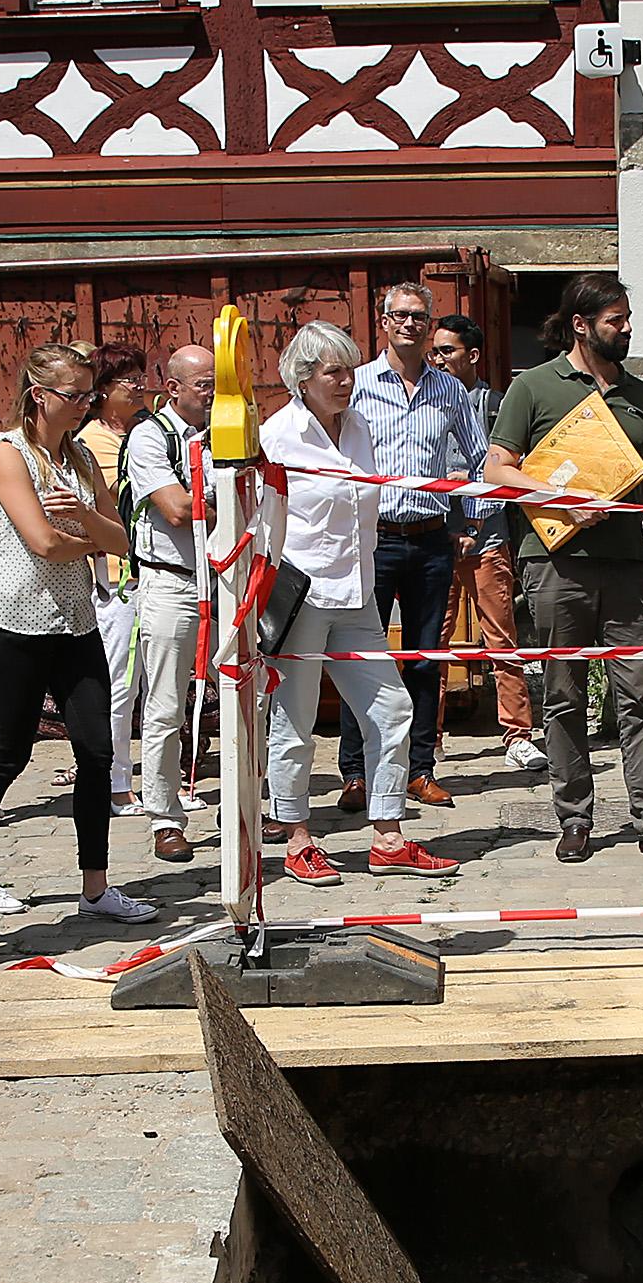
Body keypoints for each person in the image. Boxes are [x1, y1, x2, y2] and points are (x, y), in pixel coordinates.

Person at [487, 273, 643, 866]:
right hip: (555, 564)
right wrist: (560, 498)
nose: (627, 328)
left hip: (629, 564)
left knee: (638, 695)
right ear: (580, 325)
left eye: (627, 318)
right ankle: (574, 818)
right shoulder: (534, 387)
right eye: (616, 320)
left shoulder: (638, 394)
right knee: (564, 697)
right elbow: (497, 470)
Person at [0, 342, 157, 927]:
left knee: (96, 750)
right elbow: (42, 541)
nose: (86, 403)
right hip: (15, 622)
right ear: (40, 395)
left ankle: (96, 886)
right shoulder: (9, 453)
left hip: (75, 620)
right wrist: (90, 536)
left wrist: (86, 523)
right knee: (8, 752)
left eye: (90, 393)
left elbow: (122, 539)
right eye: (75, 394)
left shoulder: (82, 459)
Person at [258, 321, 459, 886]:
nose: (346, 381)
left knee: (392, 709)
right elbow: (260, 522)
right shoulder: (278, 436)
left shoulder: (360, 426)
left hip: (356, 591)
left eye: (349, 369)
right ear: (304, 378)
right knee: (293, 722)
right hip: (299, 595)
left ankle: (389, 835)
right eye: (333, 372)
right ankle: (296, 836)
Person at [333, 284, 474, 812]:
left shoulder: (450, 390)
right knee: (360, 657)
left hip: (430, 539)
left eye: (419, 316)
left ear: (430, 323)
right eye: (401, 316)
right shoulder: (360, 385)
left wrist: (470, 519)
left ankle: (418, 768)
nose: (410, 324)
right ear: (384, 321)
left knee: (423, 660)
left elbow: (478, 457)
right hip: (372, 538)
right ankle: (357, 772)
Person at [434, 313, 545, 774]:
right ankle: (427, 737)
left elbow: (520, 465)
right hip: (437, 535)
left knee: (501, 636)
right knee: (431, 642)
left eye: (448, 351)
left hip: (488, 535)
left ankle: (517, 736)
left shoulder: (498, 406)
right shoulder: (427, 403)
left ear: (473, 355)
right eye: (434, 350)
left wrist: (475, 481)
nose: (437, 359)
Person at [123, 341, 213, 866]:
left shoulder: (233, 431)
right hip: (171, 581)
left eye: (216, 384)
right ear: (173, 388)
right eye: (203, 385)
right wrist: (226, 498)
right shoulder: (149, 436)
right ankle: (164, 818)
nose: (213, 395)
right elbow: (178, 508)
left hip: (228, 580)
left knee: (251, 698)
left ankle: (251, 806)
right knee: (164, 706)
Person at [84, 340, 157, 818]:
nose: (138, 387)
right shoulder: (94, 440)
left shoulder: (148, 431)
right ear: (104, 389)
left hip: (153, 572)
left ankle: (155, 784)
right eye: (128, 380)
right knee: (120, 686)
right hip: (116, 578)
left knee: (155, 685)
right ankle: (115, 785)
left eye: (140, 377)